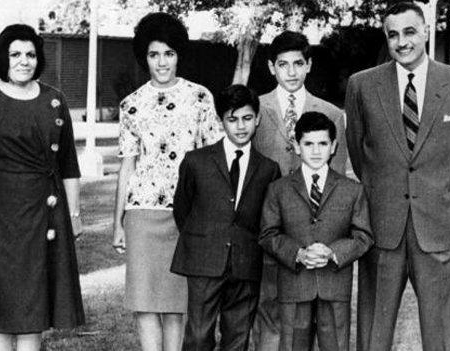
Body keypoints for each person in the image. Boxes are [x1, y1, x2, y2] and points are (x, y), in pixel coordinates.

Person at [345, 2, 450, 350]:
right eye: (393, 34)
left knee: (446, 333)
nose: (402, 42)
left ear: (425, 31)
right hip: (382, 225)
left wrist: (438, 188)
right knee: (374, 330)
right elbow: (359, 152)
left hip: (437, 224)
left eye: (409, 31)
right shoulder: (362, 85)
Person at [0, 24, 84, 351]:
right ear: (3, 57)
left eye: (30, 54)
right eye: (15, 54)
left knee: (34, 309)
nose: (24, 61)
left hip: (43, 216)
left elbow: (69, 165)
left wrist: (74, 213)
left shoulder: (55, 101)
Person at [112, 12, 223, 351]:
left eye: (169, 54)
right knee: (145, 305)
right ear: (144, 57)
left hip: (187, 215)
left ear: (179, 55)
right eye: (154, 54)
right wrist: (119, 223)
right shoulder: (131, 105)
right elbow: (127, 167)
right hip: (142, 214)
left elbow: (213, 159)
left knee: (177, 307)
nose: (162, 62)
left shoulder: (200, 98)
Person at [251, 30, 348, 350]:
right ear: (270, 67)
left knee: (319, 323)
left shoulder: (332, 114)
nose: (290, 72)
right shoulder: (254, 112)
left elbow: (339, 186)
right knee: (270, 315)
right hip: (271, 235)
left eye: (297, 64)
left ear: (308, 65)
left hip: (319, 241)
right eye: (283, 64)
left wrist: (328, 243)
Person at [171, 85, 280, 350]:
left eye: (246, 118)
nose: (240, 126)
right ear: (221, 122)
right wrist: (206, 239)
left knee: (237, 338)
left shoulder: (268, 169)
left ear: (258, 119)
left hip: (246, 262)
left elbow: (267, 220)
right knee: (198, 336)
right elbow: (182, 209)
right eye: (232, 119)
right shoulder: (196, 161)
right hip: (204, 260)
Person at [259, 112, 372, 351]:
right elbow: (268, 234)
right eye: (308, 144)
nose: (316, 150)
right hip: (295, 284)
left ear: (334, 147)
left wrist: (332, 252)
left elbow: (363, 236)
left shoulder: (352, 190)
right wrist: (297, 254)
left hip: (334, 283)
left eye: (323, 143)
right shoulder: (278, 189)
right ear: (297, 147)